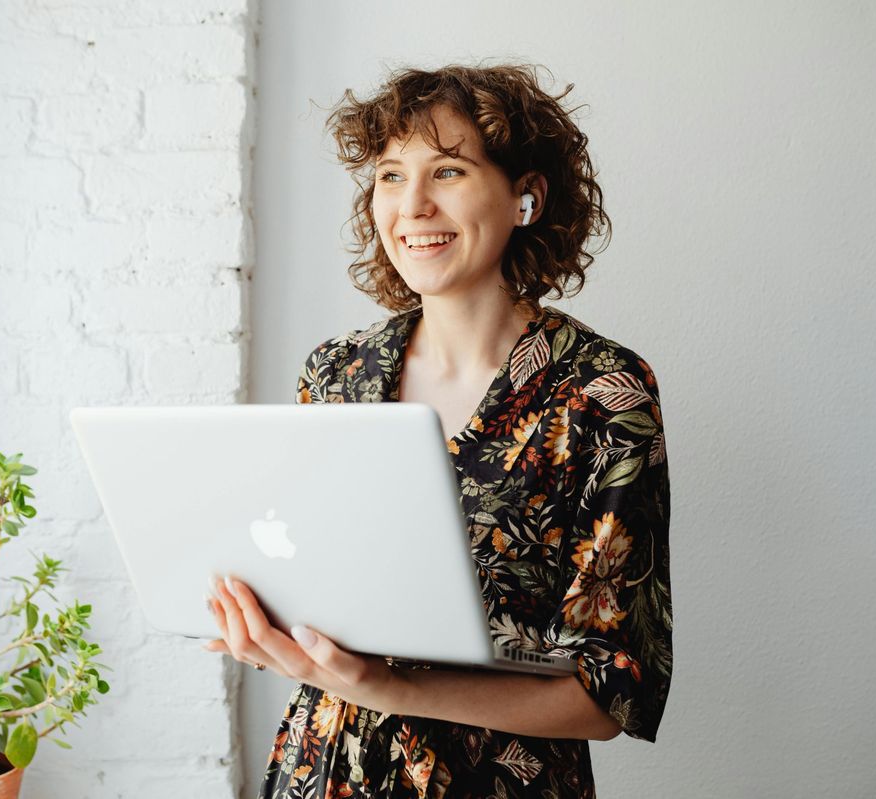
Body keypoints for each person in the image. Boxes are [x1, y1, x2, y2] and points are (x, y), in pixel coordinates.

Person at [203, 63, 673, 798]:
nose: (412, 204)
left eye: (447, 171)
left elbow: (608, 693)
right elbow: (315, 587)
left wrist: (389, 687)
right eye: (390, 176)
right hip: (323, 771)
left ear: (526, 196)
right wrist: (269, 628)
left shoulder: (602, 392)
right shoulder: (336, 373)